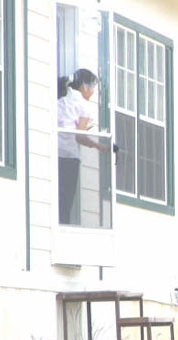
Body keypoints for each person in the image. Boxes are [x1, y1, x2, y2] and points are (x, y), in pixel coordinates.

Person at [57, 68, 109, 224]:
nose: (93, 92)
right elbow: (79, 136)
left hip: (54, 153)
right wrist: (99, 146)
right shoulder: (84, 106)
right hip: (69, 156)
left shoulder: (61, 99)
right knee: (65, 202)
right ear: (85, 86)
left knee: (55, 196)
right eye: (93, 87)